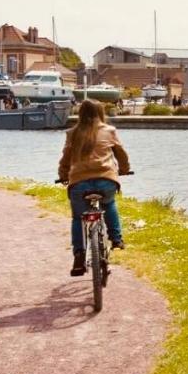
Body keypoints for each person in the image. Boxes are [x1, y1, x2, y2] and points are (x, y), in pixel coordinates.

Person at [57, 99, 131, 276]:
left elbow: (66, 159)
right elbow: (121, 153)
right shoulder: (109, 131)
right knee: (109, 203)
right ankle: (116, 238)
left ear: (80, 114)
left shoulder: (72, 133)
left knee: (78, 218)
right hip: (106, 179)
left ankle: (79, 256)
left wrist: (63, 175)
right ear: (100, 113)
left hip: (79, 183)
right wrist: (124, 169)